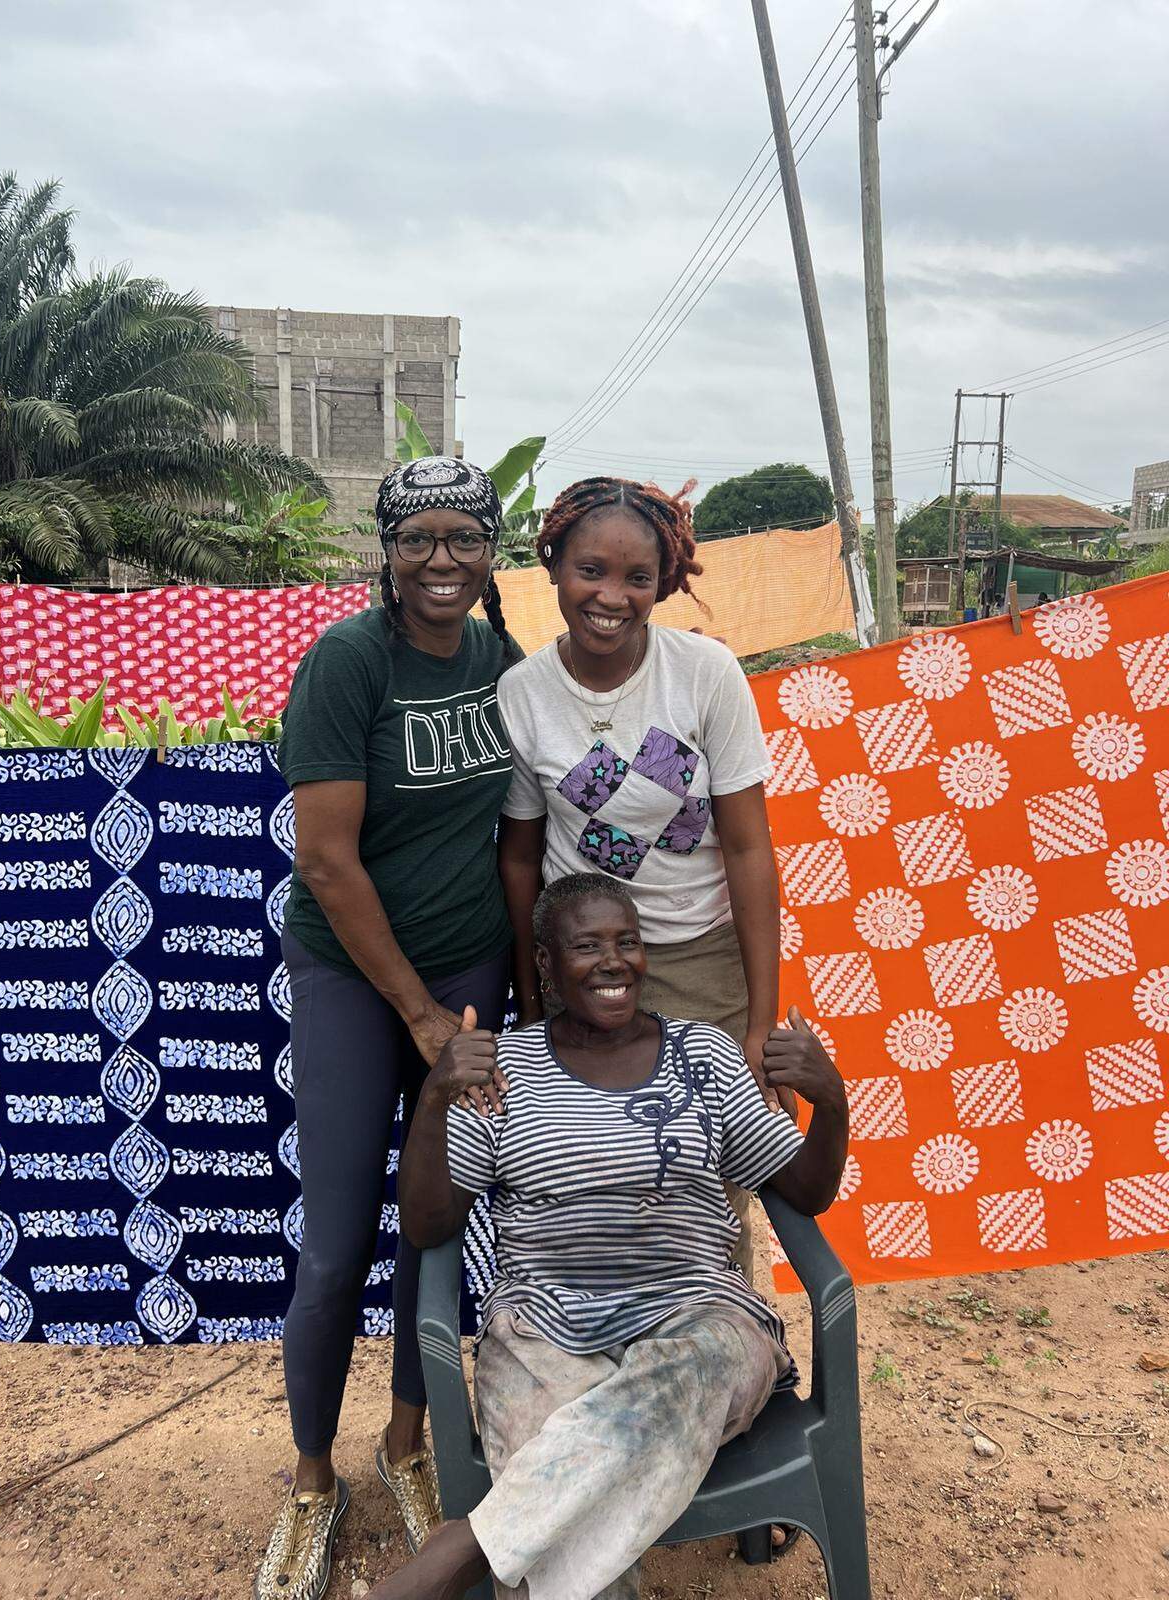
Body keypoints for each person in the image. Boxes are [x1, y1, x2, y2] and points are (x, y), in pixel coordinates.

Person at [371, 872, 848, 1600]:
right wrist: (434, 1100)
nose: (613, 961)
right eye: (586, 945)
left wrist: (832, 1102)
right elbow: (426, 1222)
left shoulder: (705, 1057)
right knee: (577, 1472)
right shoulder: (504, 1070)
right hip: (543, 1331)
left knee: (688, 1370)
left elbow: (806, 1190)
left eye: (627, 941)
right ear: (545, 966)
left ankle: (467, 1547)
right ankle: (492, 1548)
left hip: (698, 1320)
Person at [254, 456, 521, 1600]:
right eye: (420, 539)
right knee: (333, 1240)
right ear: (388, 549)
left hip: (469, 971)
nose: (442, 561)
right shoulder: (348, 665)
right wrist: (415, 1011)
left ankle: (409, 1441)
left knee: (437, 1220)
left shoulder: (501, 661)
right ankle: (314, 1480)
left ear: (490, 550)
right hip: (360, 983)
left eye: (464, 538)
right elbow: (323, 855)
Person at [496, 474, 791, 1279]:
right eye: (590, 570)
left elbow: (748, 850)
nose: (611, 596)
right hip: (586, 970)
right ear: (553, 564)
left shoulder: (705, 675)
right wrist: (533, 1002)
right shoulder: (521, 694)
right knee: (592, 1180)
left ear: (666, 580)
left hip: (701, 957)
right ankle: (592, 1336)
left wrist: (761, 1023)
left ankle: (731, 1343)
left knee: (715, 1183)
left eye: (638, 577)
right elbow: (520, 857)